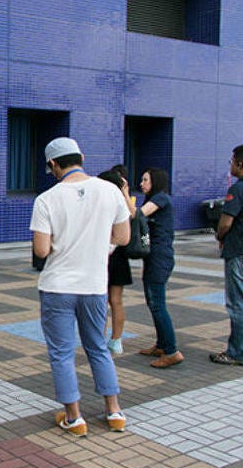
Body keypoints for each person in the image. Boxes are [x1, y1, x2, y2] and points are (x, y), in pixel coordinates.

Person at [30, 137, 130, 436]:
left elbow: (42, 250)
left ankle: (74, 418)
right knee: (98, 347)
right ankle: (114, 411)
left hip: (58, 286)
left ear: (53, 165)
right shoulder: (110, 191)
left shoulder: (46, 199)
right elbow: (123, 237)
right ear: (81, 157)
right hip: (95, 286)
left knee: (61, 353)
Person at [137, 167, 184, 368]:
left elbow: (138, 215)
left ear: (155, 181)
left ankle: (172, 351)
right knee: (152, 301)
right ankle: (162, 345)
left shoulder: (161, 199)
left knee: (157, 304)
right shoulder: (153, 199)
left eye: (145, 179)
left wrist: (122, 193)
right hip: (153, 258)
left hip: (160, 258)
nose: (141, 183)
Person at [97, 167, 135, 355]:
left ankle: (100, 340)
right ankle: (116, 340)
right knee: (116, 301)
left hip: (102, 257)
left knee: (101, 301)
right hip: (119, 257)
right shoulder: (122, 205)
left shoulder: (99, 205)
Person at [211, 145, 243, 365]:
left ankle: (236, 352)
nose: (230, 165)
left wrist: (220, 236)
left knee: (237, 303)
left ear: (240, 163)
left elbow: (225, 223)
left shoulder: (238, 189)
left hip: (238, 251)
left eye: (232, 161)